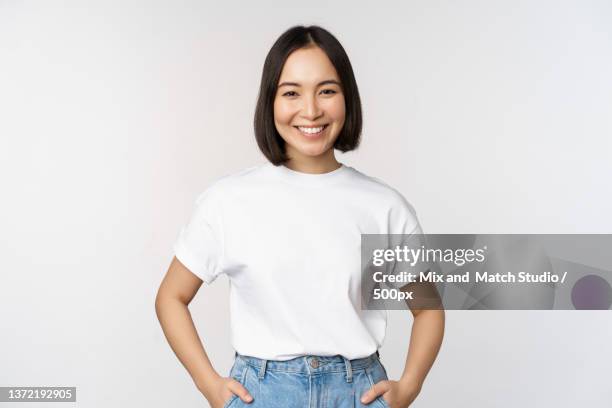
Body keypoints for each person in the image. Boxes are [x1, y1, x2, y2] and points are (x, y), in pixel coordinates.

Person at [155, 25, 445, 408]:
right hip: (262, 392)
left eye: (327, 90)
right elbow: (170, 297)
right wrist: (209, 384)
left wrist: (409, 386)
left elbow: (427, 308)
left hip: (358, 392)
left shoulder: (384, 206)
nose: (311, 110)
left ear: (348, 99)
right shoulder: (228, 201)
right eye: (291, 93)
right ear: (270, 102)